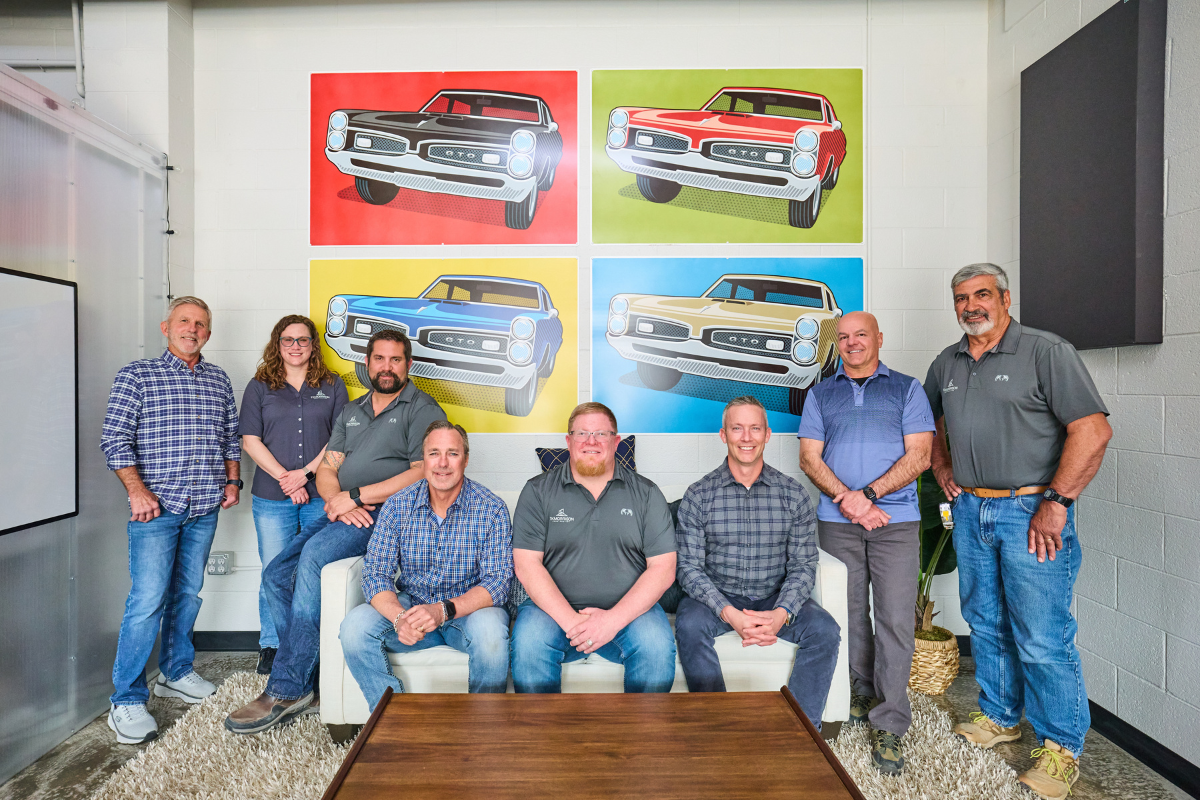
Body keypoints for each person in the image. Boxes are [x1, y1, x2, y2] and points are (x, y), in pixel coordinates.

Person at [925, 263, 1111, 800]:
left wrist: (1057, 502)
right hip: (972, 512)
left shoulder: (1045, 352)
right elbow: (929, 421)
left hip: (1031, 514)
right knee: (984, 620)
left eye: (981, 294)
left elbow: (1093, 431)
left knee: (1042, 635)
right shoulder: (949, 361)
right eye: (961, 297)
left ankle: (1060, 749)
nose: (970, 306)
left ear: (1005, 298)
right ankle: (1001, 715)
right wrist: (942, 467)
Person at [225, 329, 446, 734]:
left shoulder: (422, 409)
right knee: (276, 574)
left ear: (408, 365)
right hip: (345, 510)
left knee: (311, 560)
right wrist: (336, 502)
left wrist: (357, 496)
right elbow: (328, 466)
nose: (386, 367)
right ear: (367, 363)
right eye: (379, 359)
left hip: (387, 516)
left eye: (395, 360)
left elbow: (422, 472)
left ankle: (288, 688)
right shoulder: (354, 410)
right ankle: (311, 678)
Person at [797, 312, 934, 773]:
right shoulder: (821, 393)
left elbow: (921, 455)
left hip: (896, 522)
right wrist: (848, 501)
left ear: (879, 338)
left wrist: (869, 496)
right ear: (837, 344)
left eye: (862, 335)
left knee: (895, 618)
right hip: (837, 522)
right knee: (848, 611)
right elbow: (808, 458)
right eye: (845, 337)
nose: (853, 343)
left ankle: (890, 722)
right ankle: (860, 689)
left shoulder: (907, 389)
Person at [100, 296, 240, 744]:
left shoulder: (218, 379)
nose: (192, 329)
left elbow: (230, 437)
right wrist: (136, 490)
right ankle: (126, 699)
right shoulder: (138, 375)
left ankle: (176, 671)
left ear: (208, 333)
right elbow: (114, 438)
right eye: (184, 321)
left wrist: (232, 481)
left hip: (203, 507)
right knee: (147, 601)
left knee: (187, 593)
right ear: (166, 327)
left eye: (200, 324)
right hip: (156, 509)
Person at [676, 396, 841, 730]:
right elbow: (689, 568)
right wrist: (730, 613)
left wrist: (781, 613)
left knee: (825, 630)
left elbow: (804, 563)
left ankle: (801, 732)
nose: (746, 437)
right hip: (718, 599)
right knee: (689, 625)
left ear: (768, 434)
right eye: (737, 428)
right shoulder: (699, 494)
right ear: (723, 435)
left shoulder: (793, 494)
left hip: (773, 596)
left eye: (755, 429)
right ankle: (715, 728)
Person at [339, 421, 513, 709]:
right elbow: (375, 573)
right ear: (423, 460)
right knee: (354, 628)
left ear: (466, 460)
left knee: (492, 635)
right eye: (434, 453)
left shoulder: (491, 508)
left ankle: (485, 730)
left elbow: (498, 582)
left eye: (452, 454)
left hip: (466, 612)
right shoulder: (398, 505)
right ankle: (394, 721)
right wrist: (398, 618)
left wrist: (443, 610)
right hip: (412, 607)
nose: (442, 463)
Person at [511, 402, 677, 693]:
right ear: (568, 441)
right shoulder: (537, 491)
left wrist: (611, 621)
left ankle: (645, 739)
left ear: (615, 442)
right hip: (551, 612)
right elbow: (526, 565)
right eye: (581, 434)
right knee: (528, 646)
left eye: (601, 433)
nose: (591, 442)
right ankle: (541, 739)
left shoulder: (647, 493)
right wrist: (575, 623)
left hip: (630, 612)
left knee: (656, 647)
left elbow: (663, 569)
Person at [239, 315, 348, 676]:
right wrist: (286, 479)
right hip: (272, 497)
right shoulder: (259, 387)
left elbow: (340, 439)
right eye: (288, 340)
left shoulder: (333, 385)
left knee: (313, 571)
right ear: (277, 344)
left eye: (303, 340)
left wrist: (305, 475)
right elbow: (250, 440)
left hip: (321, 494)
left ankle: (311, 646)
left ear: (314, 345)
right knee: (274, 569)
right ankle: (273, 645)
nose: (296, 346)